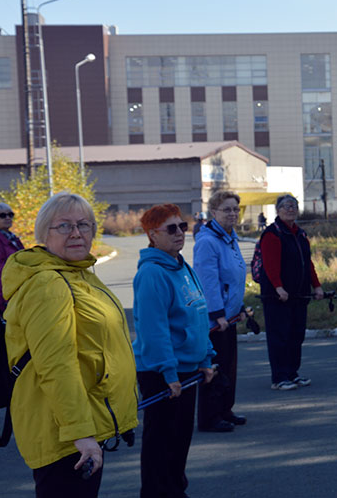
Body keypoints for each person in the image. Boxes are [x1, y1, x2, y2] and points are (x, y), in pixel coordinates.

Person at [2, 192, 138, 497]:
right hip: (64, 435)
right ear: (43, 235)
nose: (76, 233)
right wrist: (82, 435)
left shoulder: (80, 274)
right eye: (63, 226)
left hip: (80, 425)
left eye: (84, 225)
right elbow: (56, 365)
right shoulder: (49, 284)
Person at [133, 204, 216, 497]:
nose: (180, 233)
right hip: (162, 372)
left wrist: (206, 358)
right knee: (161, 443)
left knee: (180, 440)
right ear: (153, 235)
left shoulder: (181, 266)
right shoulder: (152, 274)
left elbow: (198, 313)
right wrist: (168, 372)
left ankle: (174, 490)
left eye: (183, 226)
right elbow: (153, 331)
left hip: (187, 369)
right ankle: (158, 493)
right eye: (171, 228)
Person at [193, 190, 247, 432]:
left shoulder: (230, 238)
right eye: (227, 209)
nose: (232, 213)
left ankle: (225, 409)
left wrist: (240, 307)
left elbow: (233, 279)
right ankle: (209, 417)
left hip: (230, 314)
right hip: (216, 319)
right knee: (214, 368)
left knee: (229, 366)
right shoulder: (207, 242)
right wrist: (218, 314)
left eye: (235, 209)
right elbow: (209, 281)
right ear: (213, 212)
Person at [258, 194, 323, 390]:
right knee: (280, 336)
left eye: (294, 206)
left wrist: (317, 286)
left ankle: (292, 373)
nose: (290, 209)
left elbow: (307, 263)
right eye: (286, 206)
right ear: (277, 210)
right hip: (278, 296)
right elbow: (270, 265)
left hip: (299, 295)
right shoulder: (273, 234)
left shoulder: (300, 234)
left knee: (296, 335)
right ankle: (279, 377)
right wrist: (278, 287)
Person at [0, 203, 24, 316]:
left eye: (10, 215)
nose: (8, 218)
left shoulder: (13, 239)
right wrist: (8, 297)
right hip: (2, 301)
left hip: (18, 293)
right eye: (2, 215)